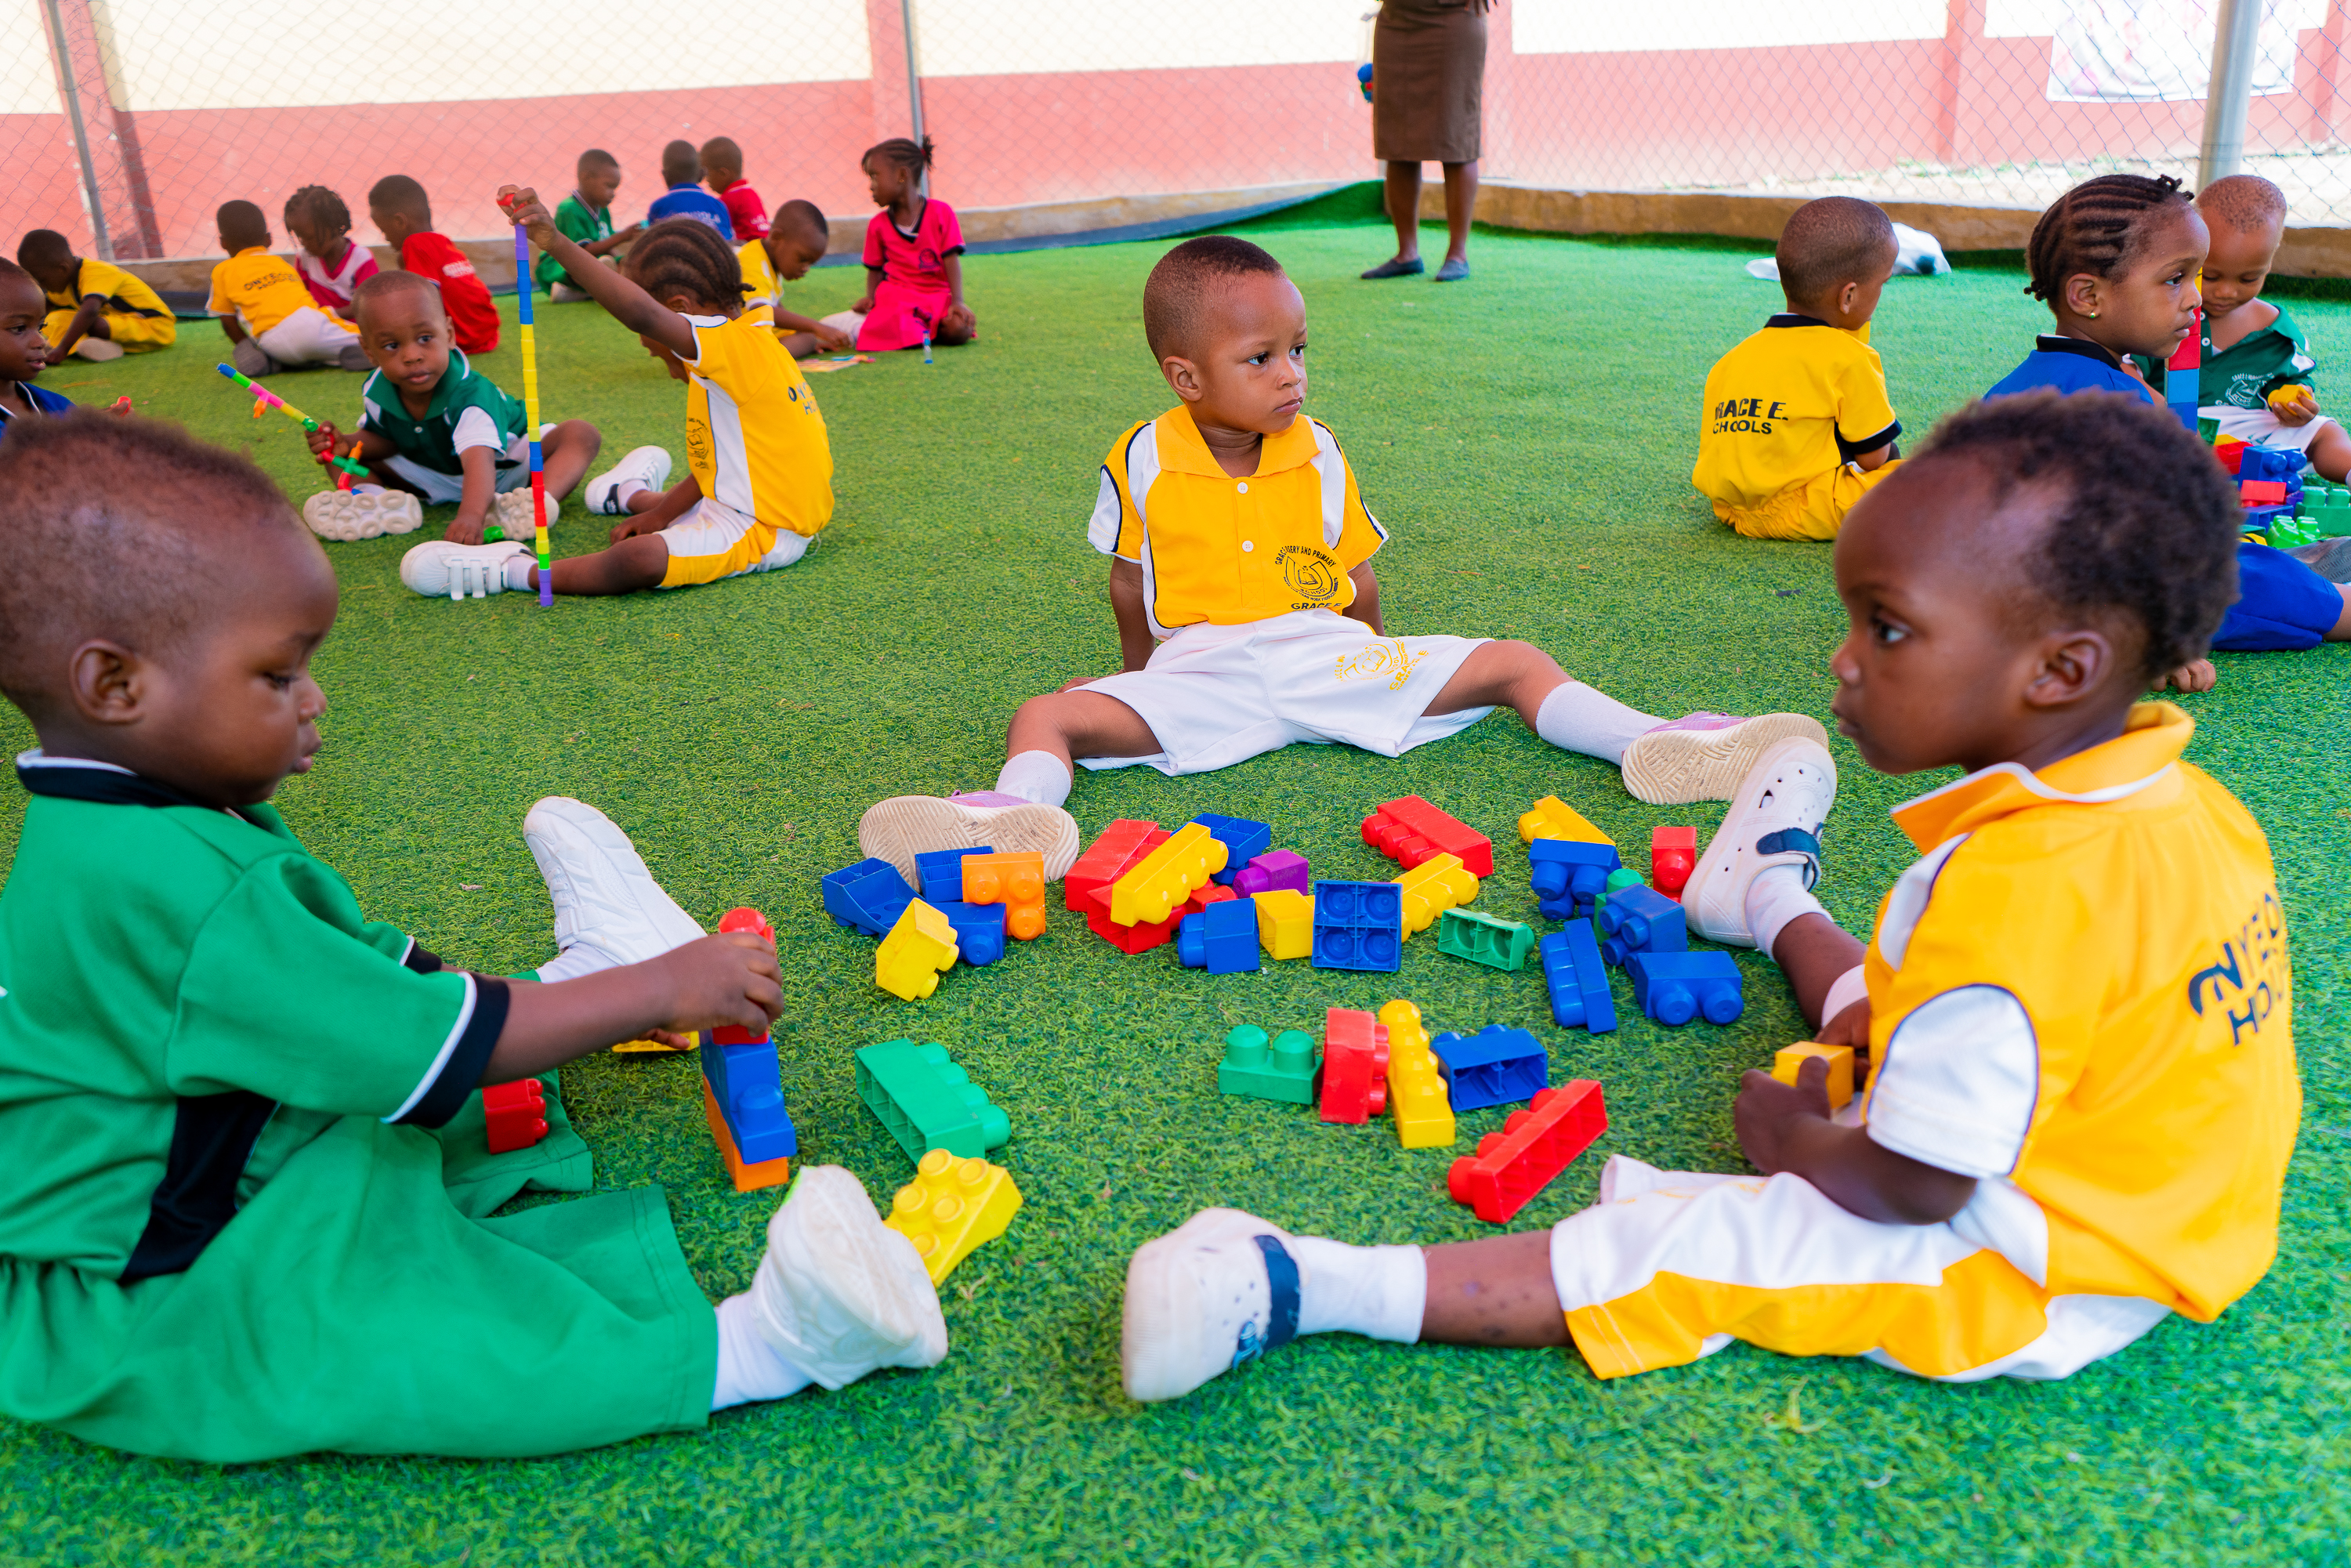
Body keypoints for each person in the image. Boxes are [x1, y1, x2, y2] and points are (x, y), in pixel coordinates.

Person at [1118, 391, 2298, 1403]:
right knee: (1897, 1012)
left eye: (1888, 629)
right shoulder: (2190, 807)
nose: (1844, 658)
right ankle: (1765, 891)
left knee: (1691, 1247)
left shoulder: (2015, 895)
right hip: (2155, 1186)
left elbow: (1918, 1184)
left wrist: (1799, 1146)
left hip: (2053, 1266)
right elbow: (2032, 1021)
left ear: (2060, 670)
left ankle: (1297, 1287)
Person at [0, 412, 948, 1461]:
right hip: (154, 1284)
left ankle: (583, 973)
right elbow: (417, 1044)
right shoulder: (173, 881)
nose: (314, 702)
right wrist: (661, 991)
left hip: (202, 1156)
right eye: (276, 678)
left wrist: (565, 999)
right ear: (114, 685)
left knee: (428, 1114)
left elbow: (348, 964)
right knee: (388, 1330)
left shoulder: (122, 815)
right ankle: (766, 1346)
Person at [852, 237, 1827, 882]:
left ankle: (1656, 742)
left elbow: (1358, 578)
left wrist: (1381, 660)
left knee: (1515, 662)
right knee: (1045, 715)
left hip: (1327, 656)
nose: (1293, 375)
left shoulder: (1319, 450)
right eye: (1262, 358)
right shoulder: (1139, 456)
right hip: (1199, 677)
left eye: (1299, 349)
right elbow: (1128, 581)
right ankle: (1009, 822)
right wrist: (1132, 682)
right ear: (1184, 376)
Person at [1985, 172, 2350, 679]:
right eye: (2176, 279)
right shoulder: (2121, 403)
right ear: (2088, 296)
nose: (2196, 299)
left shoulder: (2019, 383)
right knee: (2253, 580)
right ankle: (2338, 602)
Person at [399, 198, 830, 601]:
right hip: (750, 501)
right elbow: (718, 469)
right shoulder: (751, 339)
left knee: (637, 560)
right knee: (672, 518)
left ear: (679, 309)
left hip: (765, 528)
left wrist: (556, 242)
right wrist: (658, 517)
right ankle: (624, 493)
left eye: (652, 332)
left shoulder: (729, 346)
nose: (644, 341)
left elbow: (642, 313)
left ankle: (510, 569)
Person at [301, 271, 600, 545]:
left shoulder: (470, 394)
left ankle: (536, 502)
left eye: (425, 338)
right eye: (392, 346)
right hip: (434, 475)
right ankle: (374, 503)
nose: (412, 356)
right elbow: (387, 440)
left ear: (449, 333)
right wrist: (346, 443)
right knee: (339, 457)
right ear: (369, 351)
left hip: (508, 468)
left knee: (580, 434)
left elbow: (479, 461)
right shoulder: (376, 389)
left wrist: (471, 516)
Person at [1692, 197, 1902, 542]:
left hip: (1730, 509)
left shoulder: (1732, 358)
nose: (1881, 293)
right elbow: (1873, 458)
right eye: (1884, 283)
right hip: (1806, 509)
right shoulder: (1849, 358)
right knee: (1918, 477)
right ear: (1848, 296)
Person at [2134, 174, 2351, 483]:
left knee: (2325, 431)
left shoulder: (2274, 329)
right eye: (2210, 276)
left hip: (2244, 432)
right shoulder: (2166, 312)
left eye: (2248, 279)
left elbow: (2289, 380)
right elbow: (2124, 369)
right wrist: (2164, 413)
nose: (2226, 292)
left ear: (2271, 259)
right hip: (2170, 425)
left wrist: (2293, 401)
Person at [1360, 0, 1487, 283]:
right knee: (1397, 137)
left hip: (1454, 14)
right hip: (1398, 18)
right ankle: (1406, 254)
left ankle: (1457, 254)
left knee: (1456, 135)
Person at [820, 138, 974, 352]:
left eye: (875, 176)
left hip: (936, 297)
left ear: (902, 175)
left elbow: (952, 261)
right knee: (898, 315)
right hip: (898, 298)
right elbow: (875, 271)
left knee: (959, 329)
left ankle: (911, 332)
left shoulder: (941, 213)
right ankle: (870, 328)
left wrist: (957, 302)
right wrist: (870, 299)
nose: (871, 186)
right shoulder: (878, 225)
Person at [206, 200, 367, 376]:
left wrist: (249, 350)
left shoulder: (222, 271)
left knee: (307, 350)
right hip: (311, 325)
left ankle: (276, 362)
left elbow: (228, 322)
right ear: (269, 239)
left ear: (223, 242)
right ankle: (363, 352)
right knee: (370, 342)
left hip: (271, 343)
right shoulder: (281, 264)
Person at [368, 175, 500, 355]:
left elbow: (420, 302)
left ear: (399, 222)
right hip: (486, 336)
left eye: (384, 230)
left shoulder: (414, 245)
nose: (385, 238)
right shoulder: (443, 242)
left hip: (462, 341)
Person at [16, 228, 175, 362]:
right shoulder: (62, 284)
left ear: (62, 269)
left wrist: (62, 349)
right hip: (115, 324)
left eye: (42, 280)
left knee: (95, 324)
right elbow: (42, 312)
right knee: (53, 319)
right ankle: (88, 346)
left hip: (154, 326)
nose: (41, 286)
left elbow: (90, 311)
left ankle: (106, 348)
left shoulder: (97, 272)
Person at [740, 199, 852, 357]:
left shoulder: (769, 260)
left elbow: (775, 307)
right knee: (807, 336)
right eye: (802, 259)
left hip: (750, 336)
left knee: (807, 337)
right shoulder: (752, 262)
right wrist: (816, 327)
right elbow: (761, 309)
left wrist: (805, 337)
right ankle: (761, 360)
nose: (806, 268)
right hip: (735, 340)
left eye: (811, 263)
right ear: (777, 238)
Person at [538, 150, 643, 303]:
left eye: (615, 188)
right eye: (609, 186)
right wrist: (622, 237)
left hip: (594, 262)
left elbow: (605, 245)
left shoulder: (602, 209)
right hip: (559, 265)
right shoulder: (569, 209)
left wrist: (618, 262)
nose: (613, 193)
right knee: (581, 267)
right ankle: (592, 289)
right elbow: (581, 251)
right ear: (586, 177)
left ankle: (577, 293)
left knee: (626, 264)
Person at [0, 259, 76, 434]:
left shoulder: (58, 405)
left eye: (40, 327)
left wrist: (97, 431)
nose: (41, 341)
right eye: (19, 328)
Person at [283, 186, 379, 314]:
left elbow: (368, 305)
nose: (303, 243)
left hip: (351, 327)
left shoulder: (361, 259)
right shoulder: (304, 259)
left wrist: (326, 316)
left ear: (333, 226)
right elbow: (300, 296)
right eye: (299, 237)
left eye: (309, 237)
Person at [647, 141, 734, 241]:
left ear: (665, 176)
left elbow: (651, 243)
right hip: (712, 251)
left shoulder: (659, 207)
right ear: (701, 174)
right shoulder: (718, 205)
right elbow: (728, 242)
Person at [702, 136, 770, 243]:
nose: (706, 180)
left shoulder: (727, 201)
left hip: (747, 249)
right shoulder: (752, 193)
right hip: (764, 246)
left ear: (723, 174)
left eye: (708, 175)